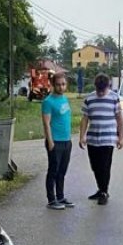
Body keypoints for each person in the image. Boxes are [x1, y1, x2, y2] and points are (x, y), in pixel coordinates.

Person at [79, 73, 123, 205]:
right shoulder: (89, 99)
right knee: (95, 166)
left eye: (103, 90)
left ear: (108, 86)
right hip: (93, 138)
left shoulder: (114, 98)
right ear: (95, 87)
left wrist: (120, 137)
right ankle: (100, 188)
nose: (100, 93)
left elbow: (119, 119)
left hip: (108, 139)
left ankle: (104, 191)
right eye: (98, 90)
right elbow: (85, 118)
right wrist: (82, 136)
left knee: (105, 166)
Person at [41, 73, 75, 210]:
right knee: (53, 171)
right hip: (55, 141)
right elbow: (46, 123)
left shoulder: (64, 99)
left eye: (63, 84)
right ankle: (51, 199)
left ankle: (60, 197)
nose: (61, 87)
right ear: (53, 85)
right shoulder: (48, 102)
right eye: (58, 84)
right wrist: (50, 141)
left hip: (67, 140)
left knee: (62, 171)